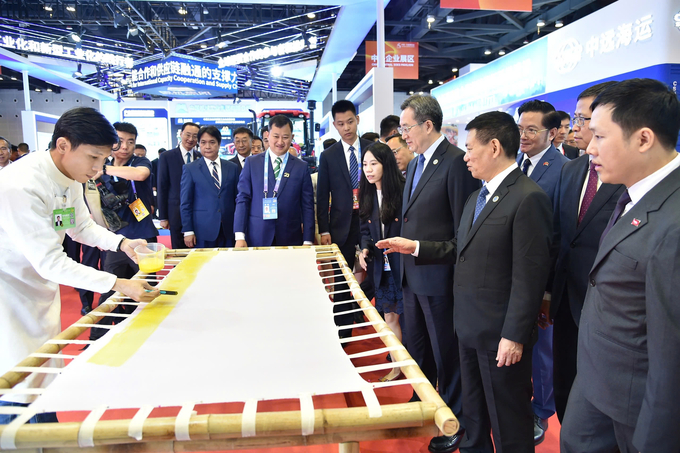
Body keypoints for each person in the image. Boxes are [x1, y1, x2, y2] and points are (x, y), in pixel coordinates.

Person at [379, 111, 553, 452]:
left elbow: (529, 275)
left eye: (470, 147)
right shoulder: (478, 197)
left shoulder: (528, 198)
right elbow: (459, 248)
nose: (466, 155)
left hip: (500, 336)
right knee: (474, 418)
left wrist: (514, 336)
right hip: (468, 326)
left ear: (494, 147)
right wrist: (413, 246)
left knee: (508, 422)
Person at [0, 107, 159, 424]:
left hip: (39, 289)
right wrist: (118, 284)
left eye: (103, 159)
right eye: (93, 157)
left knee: (44, 373)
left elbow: (79, 227)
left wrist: (122, 243)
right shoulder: (20, 185)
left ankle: (43, 430)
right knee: (16, 379)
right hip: (10, 293)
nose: (99, 167)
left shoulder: (70, 176)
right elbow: (49, 261)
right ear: (63, 145)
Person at [560, 79, 680, 452]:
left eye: (599, 136)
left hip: (634, 407)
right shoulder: (633, 192)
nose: (589, 147)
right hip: (596, 382)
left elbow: (670, 358)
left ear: (643, 139)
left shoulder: (673, 223)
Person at [381, 94, 479, 453]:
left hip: (439, 279)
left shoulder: (455, 163)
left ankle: (454, 418)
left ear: (427, 125)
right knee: (418, 348)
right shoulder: (418, 162)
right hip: (411, 276)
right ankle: (423, 401)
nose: (403, 135)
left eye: (407, 127)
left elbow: (461, 232)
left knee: (446, 355)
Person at [550, 81, 624, 423]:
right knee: (565, 385)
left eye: (586, 121)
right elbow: (560, 236)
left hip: (606, 308)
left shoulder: (625, 176)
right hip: (565, 300)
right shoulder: (572, 169)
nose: (577, 128)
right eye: (577, 120)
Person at [516, 99, 568, 443]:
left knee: (543, 352)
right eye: (520, 128)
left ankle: (542, 412)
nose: (523, 135)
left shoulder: (562, 170)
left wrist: (547, 292)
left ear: (552, 133)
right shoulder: (516, 164)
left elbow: (559, 235)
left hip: (542, 280)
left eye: (531, 130)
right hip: (514, 277)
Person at [90, 121, 157, 340]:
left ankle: (152, 333)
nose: (125, 146)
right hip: (114, 240)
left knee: (147, 288)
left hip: (143, 237)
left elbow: (140, 175)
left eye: (131, 141)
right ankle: (97, 338)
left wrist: (104, 169)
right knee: (110, 289)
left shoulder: (139, 162)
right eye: (120, 141)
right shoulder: (101, 164)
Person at [317, 100, 375, 338]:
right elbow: (322, 195)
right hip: (340, 224)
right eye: (340, 124)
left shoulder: (373, 149)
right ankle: (343, 332)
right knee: (340, 280)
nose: (347, 128)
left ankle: (370, 316)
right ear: (334, 125)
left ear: (358, 119)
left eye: (350, 121)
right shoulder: (328, 156)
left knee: (376, 272)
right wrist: (324, 229)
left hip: (369, 220)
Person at [357, 142, 405, 382]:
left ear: (386, 163)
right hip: (381, 267)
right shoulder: (366, 193)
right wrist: (364, 249)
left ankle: (418, 367)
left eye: (374, 163)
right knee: (389, 318)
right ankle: (398, 366)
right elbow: (365, 228)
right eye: (365, 164)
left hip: (404, 267)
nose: (368, 169)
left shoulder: (403, 191)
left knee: (410, 321)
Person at [234, 115, 314, 247]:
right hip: (257, 235)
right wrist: (239, 235)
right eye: (276, 136)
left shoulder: (301, 167)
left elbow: (307, 205)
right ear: (268, 135)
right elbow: (243, 199)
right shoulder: (252, 163)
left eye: (285, 137)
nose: (280, 142)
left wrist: (308, 240)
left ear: (292, 137)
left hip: (290, 237)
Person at [180, 126, 239, 248]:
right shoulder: (190, 169)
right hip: (202, 229)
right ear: (198, 144)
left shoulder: (232, 167)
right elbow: (186, 202)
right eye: (203, 142)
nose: (207, 146)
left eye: (212, 142)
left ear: (219, 143)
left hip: (229, 228)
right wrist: (188, 230)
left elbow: (237, 199)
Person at [158, 122, 201, 249]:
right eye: (188, 135)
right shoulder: (167, 156)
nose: (191, 139)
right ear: (181, 134)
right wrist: (163, 217)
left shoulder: (200, 157)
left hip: (197, 212)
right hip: (175, 213)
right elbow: (162, 186)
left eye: (195, 136)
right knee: (179, 249)